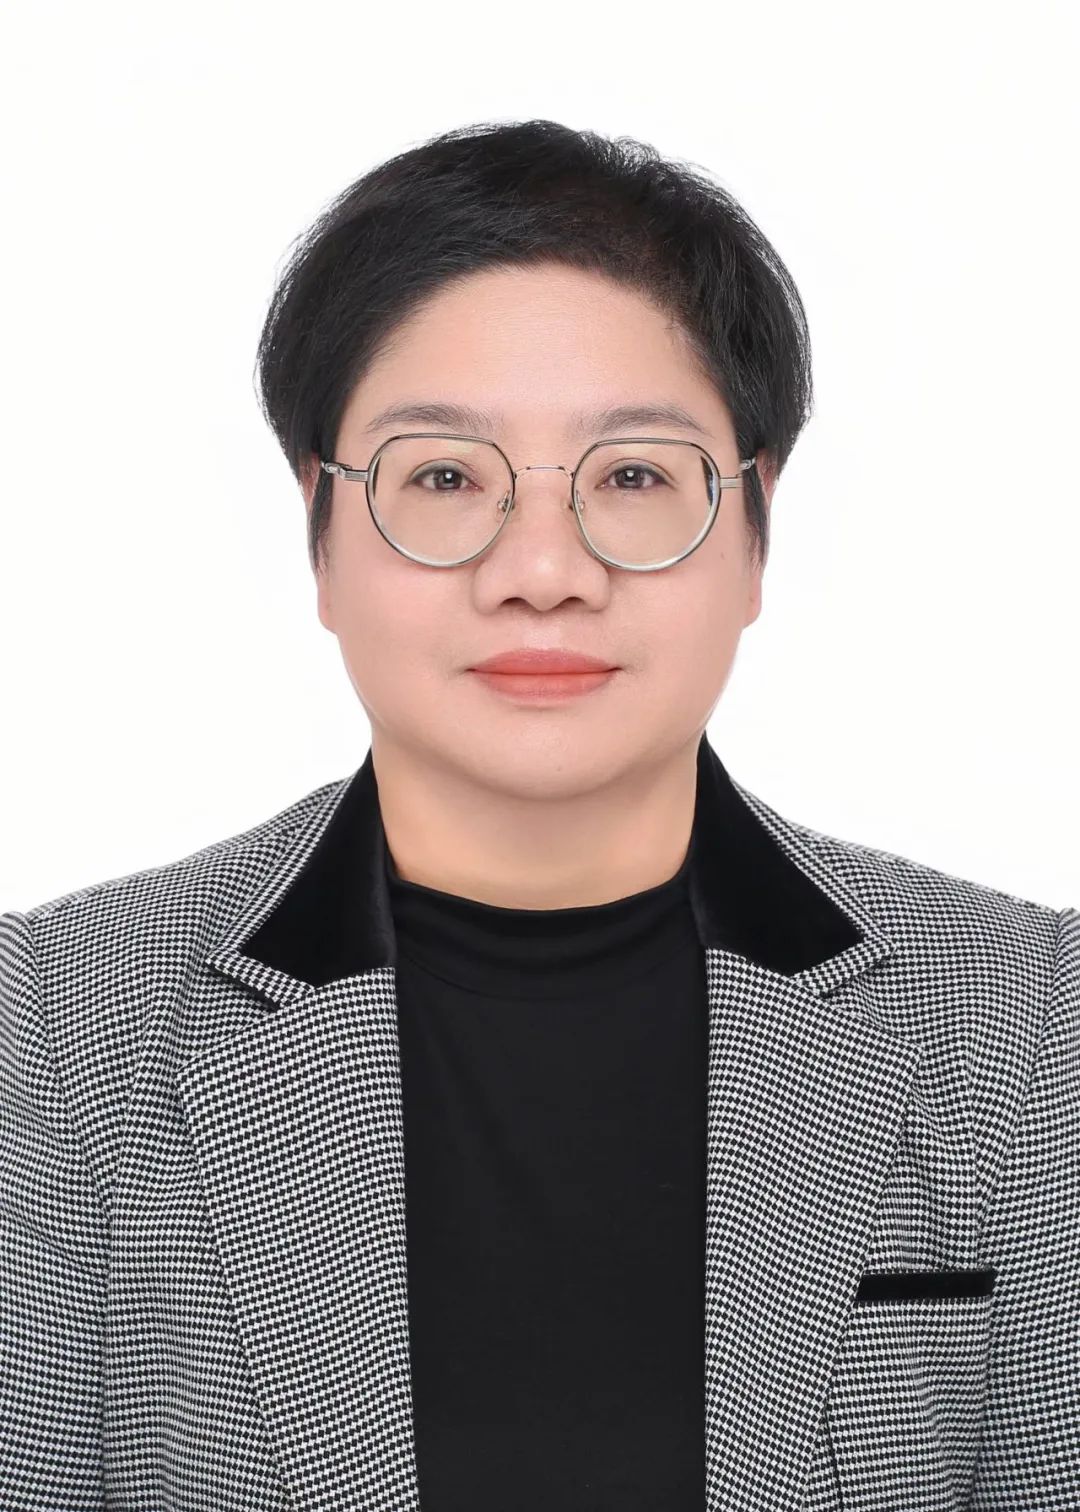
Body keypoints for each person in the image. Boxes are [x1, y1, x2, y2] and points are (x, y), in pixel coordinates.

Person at [1, 118, 1075, 1512]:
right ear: (319, 533)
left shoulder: (1029, 1020)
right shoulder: (52, 1034)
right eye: (445, 477)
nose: (545, 571)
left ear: (757, 529)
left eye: (634, 476)